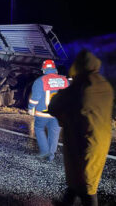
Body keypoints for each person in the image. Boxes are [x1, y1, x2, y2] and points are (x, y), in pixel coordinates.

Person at [49, 50, 114, 206]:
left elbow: (54, 106)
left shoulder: (79, 86)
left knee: (86, 184)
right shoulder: (105, 85)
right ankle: (66, 202)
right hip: (101, 139)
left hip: (81, 139)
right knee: (85, 179)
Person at [28, 59, 69, 161]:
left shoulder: (39, 81)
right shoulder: (64, 80)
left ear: (44, 70)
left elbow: (35, 99)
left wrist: (30, 108)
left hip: (43, 113)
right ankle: (50, 156)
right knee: (54, 134)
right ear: (55, 69)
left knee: (39, 129)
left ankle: (45, 151)